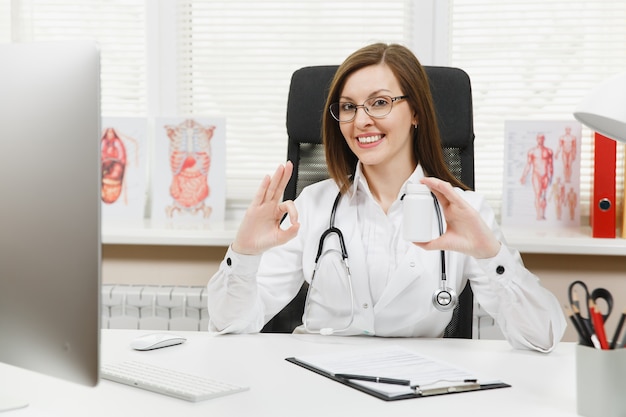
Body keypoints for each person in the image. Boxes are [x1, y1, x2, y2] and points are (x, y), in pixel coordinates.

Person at [206, 43, 566, 353]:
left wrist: (491, 255)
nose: (361, 120)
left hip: (419, 390)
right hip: (317, 387)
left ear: (415, 114)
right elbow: (229, 324)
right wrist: (244, 253)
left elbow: (542, 337)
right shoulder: (312, 205)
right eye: (348, 107)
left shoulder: (464, 213)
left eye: (379, 102)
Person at [520, 133, 554, 220]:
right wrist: (523, 176)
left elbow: (551, 165)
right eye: (539, 138)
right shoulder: (532, 151)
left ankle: (543, 214)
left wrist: (551, 176)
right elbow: (528, 165)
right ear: (537, 139)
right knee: (537, 195)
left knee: (544, 195)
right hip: (536, 175)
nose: (540, 140)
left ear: (544, 139)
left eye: (542, 138)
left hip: (545, 175)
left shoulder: (549, 151)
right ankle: (538, 215)